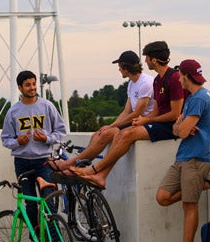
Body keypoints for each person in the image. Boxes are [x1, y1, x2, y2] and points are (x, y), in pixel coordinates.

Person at [72, 41, 185, 189]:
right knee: (120, 134)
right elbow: (156, 109)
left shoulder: (174, 78)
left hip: (172, 126)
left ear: (154, 60)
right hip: (160, 122)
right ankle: (101, 176)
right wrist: (145, 120)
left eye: (147, 58)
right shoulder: (157, 80)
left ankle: (94, 169)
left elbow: (175, 114)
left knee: (127, 135)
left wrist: (147, 119)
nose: (144, 61)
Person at [155, 60, 210, 242]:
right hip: (183, 157)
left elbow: (180, 131)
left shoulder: (199, 99)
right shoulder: (192, 98)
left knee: (189, 205)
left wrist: (181, 126)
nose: (178, 78)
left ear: (186, 76)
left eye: (180, 75)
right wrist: (181, 126)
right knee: (163, 197)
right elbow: (176, 131)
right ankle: (205, 184)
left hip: (195, 159)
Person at [54, 50, 155, 171]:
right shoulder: (132, 84)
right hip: (133, 121)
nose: (119, 69)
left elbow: (137, 112)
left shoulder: (146, 82)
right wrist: (111, 125)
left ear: (126, 68)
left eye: (120, 67)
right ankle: (81, 163)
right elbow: (126, 111)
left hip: (143, 122)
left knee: (106, 133)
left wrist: (113, 126)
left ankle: (69, 164)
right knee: (99, 133)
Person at [0, 70, 68, 242]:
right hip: (22, 162)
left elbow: (60, 132)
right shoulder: (13, 111)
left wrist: (46, 139)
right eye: (28, 85)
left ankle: (55, 241)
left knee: (48, 201)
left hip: (44, 162)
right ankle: (34, 239)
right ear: (20, 88)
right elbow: (5, 138)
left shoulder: (47, 106)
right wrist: (17, 142)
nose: (32, 88)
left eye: (34, 84)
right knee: (30, 204)